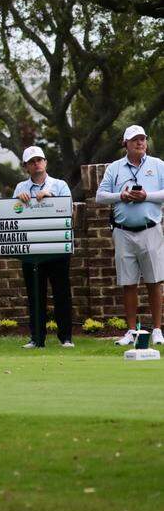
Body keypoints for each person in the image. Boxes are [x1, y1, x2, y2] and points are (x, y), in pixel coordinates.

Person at [95, 125, 164, 346]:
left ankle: (157, 330)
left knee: (154, 281)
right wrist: (121, 196)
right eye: (134, 140)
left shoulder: (158, 165)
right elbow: (100, 196)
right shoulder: (114, 168)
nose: (139, 143)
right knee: (128, 283)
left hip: (150, 229)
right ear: (125, 143)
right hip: (123, 232)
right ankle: (131, 330)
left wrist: (146, 196)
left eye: (142, 139)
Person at [13, 146, 75, 348]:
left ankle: (66, 338)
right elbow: (14, 214)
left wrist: (51, 198)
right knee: (35, 295)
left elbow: (69, 210)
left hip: (57, 246)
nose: (36, 163)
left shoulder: (60, 185)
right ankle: (37, 338)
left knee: (61, 293)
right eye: (32, 161)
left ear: (45, 162)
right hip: (32, 250)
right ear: (26, 167)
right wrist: (19, 202)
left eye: (39, 159)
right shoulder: (20, 187)